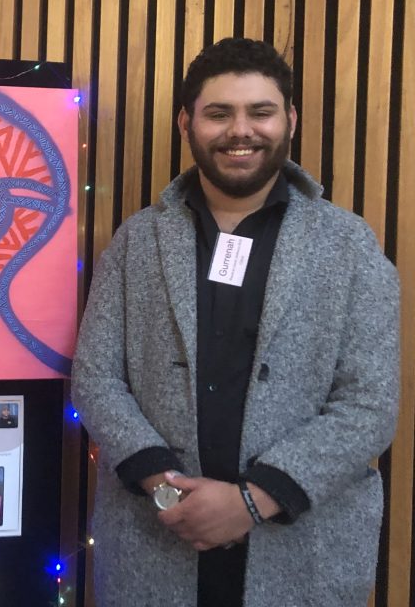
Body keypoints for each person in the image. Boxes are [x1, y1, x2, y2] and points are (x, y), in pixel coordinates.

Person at [70, 38, 399, 607]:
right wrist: (167, 489)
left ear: (290, 119)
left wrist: (252, 501)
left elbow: (369, 404)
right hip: (155, 540)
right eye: (219, 113)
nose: (240, 131)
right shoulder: (137, 241)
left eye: (260, 112)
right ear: (187, 124)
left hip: (304, 552)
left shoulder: (350, 246)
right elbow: (95, 378)